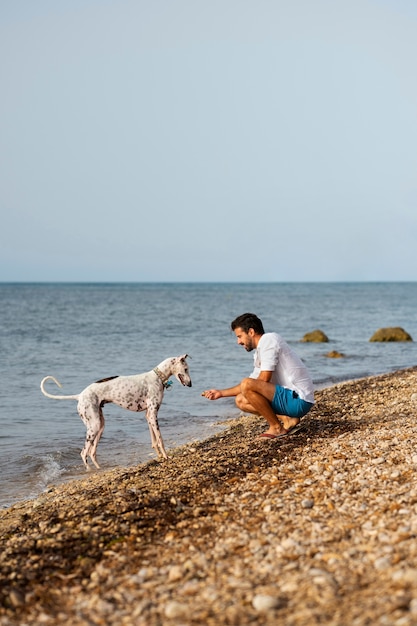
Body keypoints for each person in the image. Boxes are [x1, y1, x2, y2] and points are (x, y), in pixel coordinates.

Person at [202, 313, 314, 439]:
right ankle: (287, 419)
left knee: (247, 384)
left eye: (239, 336)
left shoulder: (269, 340)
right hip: (289, 400)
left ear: (251, 332)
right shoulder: (260, 351)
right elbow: (254, 384)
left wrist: (248, 385)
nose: (238, 342)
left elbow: (261, 380)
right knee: (241, 400)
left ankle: (276, 428)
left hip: (299, 399)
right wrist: (220, 393)